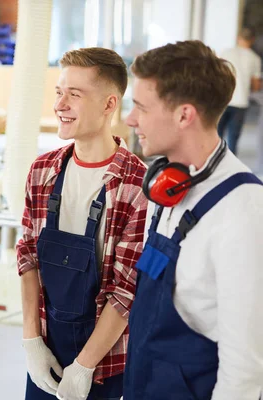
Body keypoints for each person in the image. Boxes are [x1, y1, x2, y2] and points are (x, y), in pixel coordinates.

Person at [124, 40, 263, 400]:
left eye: (140, 106)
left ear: (184, 115)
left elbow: (244, 368)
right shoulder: (170, 184)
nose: (130, 119)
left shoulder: (242, 210)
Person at [17, 47, 148, 400]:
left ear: (109, 105)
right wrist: (32, 342)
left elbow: (127, 289)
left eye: (74, 95)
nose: (60, 104)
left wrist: (85, 365)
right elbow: (27, 254)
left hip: (105, 364)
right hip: (46, 348)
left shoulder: (137, 186)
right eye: (59, 92)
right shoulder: (43, 171)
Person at [218, 27, 262, 155]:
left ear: (238, 38)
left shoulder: (226, 53)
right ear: (252, 40)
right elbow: (255, 85)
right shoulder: (255, 58)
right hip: (241, 103)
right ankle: (230, 166)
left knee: (216, 135)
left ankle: (214, 163)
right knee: (233, 138)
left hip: (223, 100)